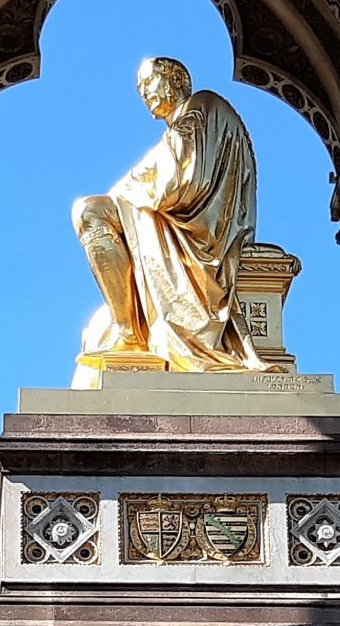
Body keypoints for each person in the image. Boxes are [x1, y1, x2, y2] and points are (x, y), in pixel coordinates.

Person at [72, 57, 268, 383]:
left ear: (176, 79)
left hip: (199, 237)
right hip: (181, 230)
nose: (144, 94)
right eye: (139, 90)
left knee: (90, 212)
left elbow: (179, 184)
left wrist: (124, 194)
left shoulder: (201, 108)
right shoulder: (186, 124)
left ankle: (130, 333)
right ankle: (128, 329)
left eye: (148, 83)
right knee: (91, 213)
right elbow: (156, 173)